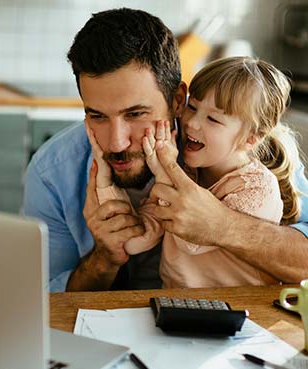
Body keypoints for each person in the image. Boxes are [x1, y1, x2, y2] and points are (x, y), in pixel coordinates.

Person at [23, 8, 308, 292]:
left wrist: (224, 226)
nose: (116, 143)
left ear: (177, 101)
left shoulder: (245, 154)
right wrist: (104, 258)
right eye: (97, 116)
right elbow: (43, 301)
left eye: (135, 114)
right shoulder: (52, 172)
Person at [89, 56, 301, 288]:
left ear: (251, 138)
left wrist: (163, 170)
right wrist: (104, 182)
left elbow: (192, 239)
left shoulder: (257, 188)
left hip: (241, 311)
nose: (192, 123)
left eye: (212, 119)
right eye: (192, 107)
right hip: (179, 306)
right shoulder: (189, 173)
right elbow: (136, 242)